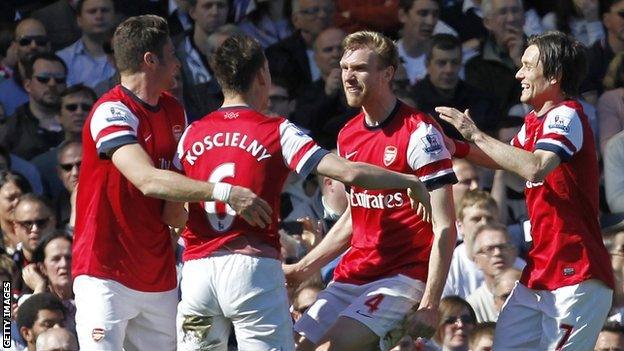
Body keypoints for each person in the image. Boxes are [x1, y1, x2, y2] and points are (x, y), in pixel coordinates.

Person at [174, 33, 432, 351]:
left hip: (198, 271)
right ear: (262, 75)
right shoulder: (276, 129)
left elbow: (173, 211)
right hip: (252, 273)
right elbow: (349, 172)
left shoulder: (190, 134)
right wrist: (410, 182)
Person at [72, 15, 273, 351]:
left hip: (158, 275)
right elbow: (147, 180)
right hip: (104, 271)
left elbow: (171, 210)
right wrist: (225, 192)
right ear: (150, 60)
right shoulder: (111, 112)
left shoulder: (174, 110)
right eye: (172, 54)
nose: (179, 63)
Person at [437, 31, 614, 350]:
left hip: (575, 272)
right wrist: (453, 146)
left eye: (527, 66)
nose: (518, 74)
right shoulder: (535, 121)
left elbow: (535, 166)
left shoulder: (567, 113)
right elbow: (502, 157)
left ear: (555, 75)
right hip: (540, 272)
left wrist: (474, 135)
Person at [285, 30, 457, 350]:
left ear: (387, 73)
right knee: (294, 347)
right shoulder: (348, 135)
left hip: (400, 279)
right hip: (352, 275)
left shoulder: (421, 133)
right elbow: (355, 217)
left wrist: (431, 304)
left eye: (360, 68)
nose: (348, 76)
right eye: (345, 68)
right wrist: (302, 268)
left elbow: (446, 226)